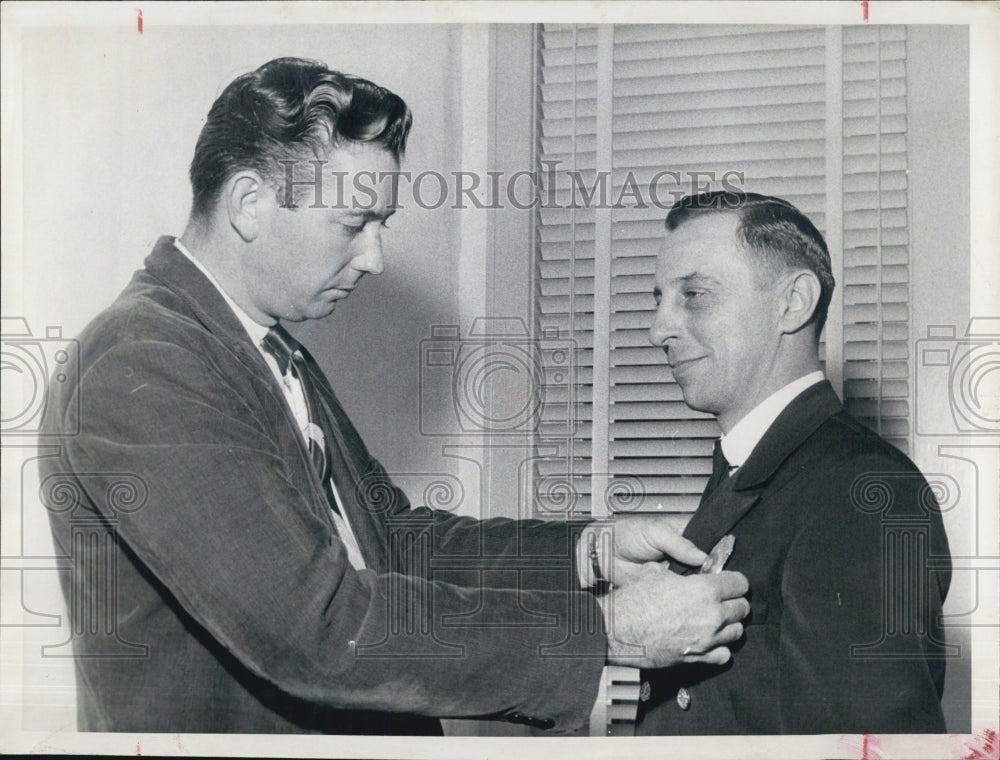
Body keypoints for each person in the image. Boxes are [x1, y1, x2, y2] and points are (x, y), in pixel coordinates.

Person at [38, 57, 749, 735]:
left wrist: (588, 553)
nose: (374, 258)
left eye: (381, 226)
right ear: (250, 203)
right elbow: (317, 630)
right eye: (352, 225)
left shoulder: (262, 348)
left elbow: (392, 543)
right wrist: (610, 631)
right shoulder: (146, 360)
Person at [635, 191, 952, 735]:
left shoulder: (860, 490)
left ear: (793, 303)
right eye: (659, 298)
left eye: (694, 295)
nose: (658, 329)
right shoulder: (754, 469)